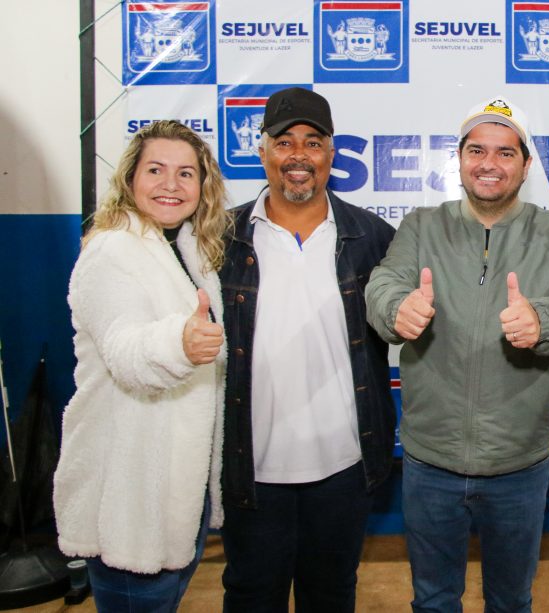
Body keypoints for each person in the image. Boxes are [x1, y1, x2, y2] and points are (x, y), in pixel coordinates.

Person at [366, 95, 549, 612]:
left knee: (511, 601)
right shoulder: (421, 226)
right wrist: (395, 310)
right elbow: (385, 282)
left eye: (504, 152)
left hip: (520, 462)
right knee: (432, 600)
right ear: (459, 157)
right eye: (476, 150)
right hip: (432, 460)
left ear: (525, 164)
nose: (489, 164)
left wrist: (544, 320)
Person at [219, 87, 397, 612]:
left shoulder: (373, 237)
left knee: (332, 594)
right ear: (263, 151)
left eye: (312, 142)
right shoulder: (221, 236)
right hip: (252, 467)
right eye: (284, 141)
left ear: (332, 153)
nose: (298, 155)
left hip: (344, 465)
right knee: (252, 595)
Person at [53, 120, 231, 612]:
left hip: (176, 492)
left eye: (185, 173)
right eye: (156, 170)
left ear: (203, 186)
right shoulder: (112, 250)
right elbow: (125, 350)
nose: (171, 185)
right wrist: (178, 343)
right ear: (131, 179)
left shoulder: (190, 250)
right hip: (131, 497)